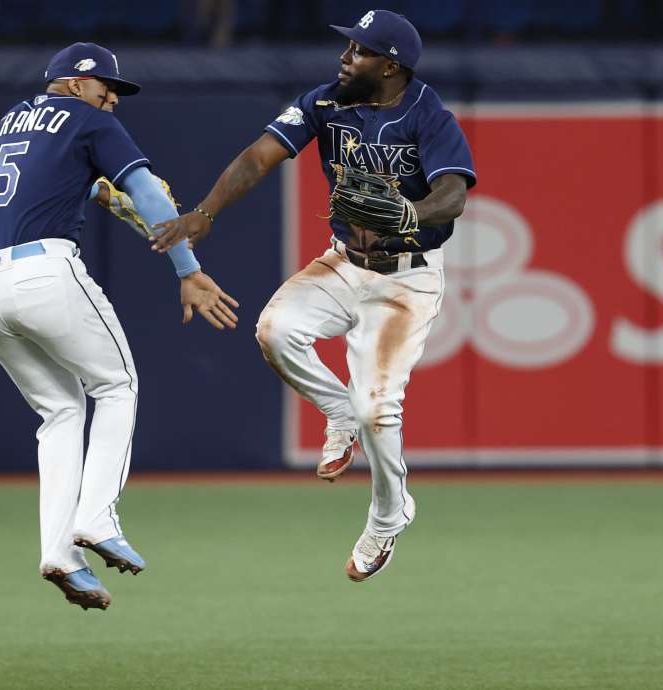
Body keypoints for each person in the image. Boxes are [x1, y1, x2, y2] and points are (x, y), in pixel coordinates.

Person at [152, 10, 475, 582]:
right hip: (343, 263)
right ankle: (334, 408)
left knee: (379, 410)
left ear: (391, 65)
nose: (345, 57)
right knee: (275, 331)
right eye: (347, 46)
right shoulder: (323, 103)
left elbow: (452, 194)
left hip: (406, 277)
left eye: (359, 50)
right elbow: (258, 156)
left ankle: (388, 513)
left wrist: (409, 213)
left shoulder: (428, 113)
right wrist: (204, 213)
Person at [0, 42, 239, 611]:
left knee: (60, 411)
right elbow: (147, 193)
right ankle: (99, 518)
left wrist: (102, 189)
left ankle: (60, 554)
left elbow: (69, 185)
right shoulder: (84, 118)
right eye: (105, 85)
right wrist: (189, 269)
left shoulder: (8, 122)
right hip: (44, 275)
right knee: (117, 386)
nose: (112, 98)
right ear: (75, 83)